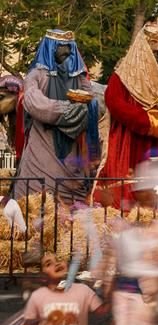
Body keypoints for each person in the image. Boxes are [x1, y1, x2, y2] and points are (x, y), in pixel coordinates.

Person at [97, 22, 158, 207]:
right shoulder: (123, 75)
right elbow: (114, 101)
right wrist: (148, 121)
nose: (156, 50)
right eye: (152, 45)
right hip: (127, 141)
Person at [14, 29, 98, 200]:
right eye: (61, 47)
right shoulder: (36, 75)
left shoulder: (78, 77)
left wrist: (84, 107)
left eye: (69, 47)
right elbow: (33, 102)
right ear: (50, 48)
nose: (65, 51)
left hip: (71, 153)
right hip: (42, 148)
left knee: (73, 208)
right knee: (35, 200)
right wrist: (66, 109)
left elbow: (91, 100)